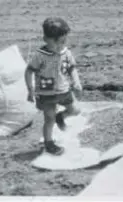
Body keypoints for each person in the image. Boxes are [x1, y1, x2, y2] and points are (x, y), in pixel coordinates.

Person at [25, 17, 83, 155]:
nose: (59, 45)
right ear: (45, 39)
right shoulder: (40, 55)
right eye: (55, 42)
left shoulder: (66, 53)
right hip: (46, 94)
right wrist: (30, 89)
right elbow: (29, 71)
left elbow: (72, 68)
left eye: (63, 41)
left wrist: (77, 82)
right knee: (49, 118)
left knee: (75, 110)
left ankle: (61, 117)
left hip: (64, 90)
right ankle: (49, 143)